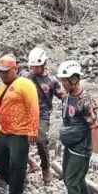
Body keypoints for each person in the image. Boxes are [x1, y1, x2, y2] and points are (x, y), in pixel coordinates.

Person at [0, 55, 39, 194]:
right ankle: (16, 183)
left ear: (15, 69)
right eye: (1, 72)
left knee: (17, 164)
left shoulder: (25, 84)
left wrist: (33, 129)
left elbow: (33, 106)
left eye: (6, 71)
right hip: (5, 131)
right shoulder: (0, 88)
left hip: (20, 133)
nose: (3, 75)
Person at [57, 60, 98, 194]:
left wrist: (95, 153)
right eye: (61, 80)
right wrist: (60, 140)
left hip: (81, 147)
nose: (62, 83)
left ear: (74, 79)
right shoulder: (67, 97)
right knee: (77, 179)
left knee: (70, 181)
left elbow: (94, 127)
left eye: (64, 80)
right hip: (70, 145)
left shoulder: (86, 100)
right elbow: (66, 120)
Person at [23, 47, 65, 184]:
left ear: (44, 65)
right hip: (26, 114)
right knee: (20, 142)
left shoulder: (51, 81)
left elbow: (63, 96)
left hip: (43, 115)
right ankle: (28, 165)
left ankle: (45, 168)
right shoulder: (25, 78)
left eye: (37, 67)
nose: (34, 69)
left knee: (41, 141)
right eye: (32, 67)